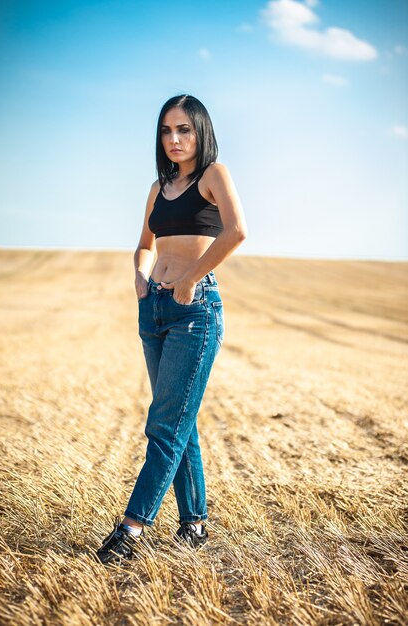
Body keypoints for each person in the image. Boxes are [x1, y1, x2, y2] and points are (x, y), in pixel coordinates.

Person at [96, 94, 247, 565]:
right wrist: (140, 276)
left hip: (194, 310)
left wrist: (190, 277)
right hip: (155, 309)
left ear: (200, 131)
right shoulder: (158, 188)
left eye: (184, 129)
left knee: (164, 424)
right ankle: (195, 523)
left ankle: (131, 529)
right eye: (166, 130)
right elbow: (144, 244)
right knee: (180, 419)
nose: (175, 139)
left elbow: (237, 231)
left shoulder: (214, 175)